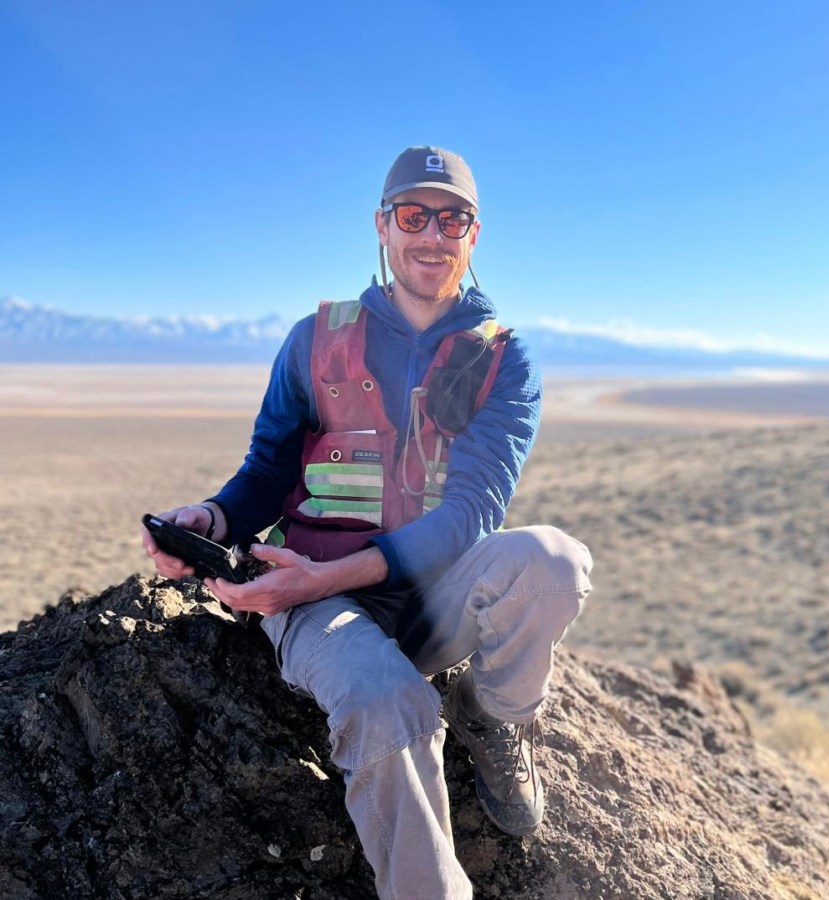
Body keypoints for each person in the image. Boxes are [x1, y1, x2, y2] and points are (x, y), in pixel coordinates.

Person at [143, 145, 593, 899]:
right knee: (389, 702)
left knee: (553, 564)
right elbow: (266, 473)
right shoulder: (314, 339)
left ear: (473, 236)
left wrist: (339, 571)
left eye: (453, 219)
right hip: (316, 601)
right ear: (382, 226)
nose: (433, 234)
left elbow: (473, 513)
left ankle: (492, 716)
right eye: (414, 215)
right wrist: (214, 517)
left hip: (426, 595)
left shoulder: (503, 359)